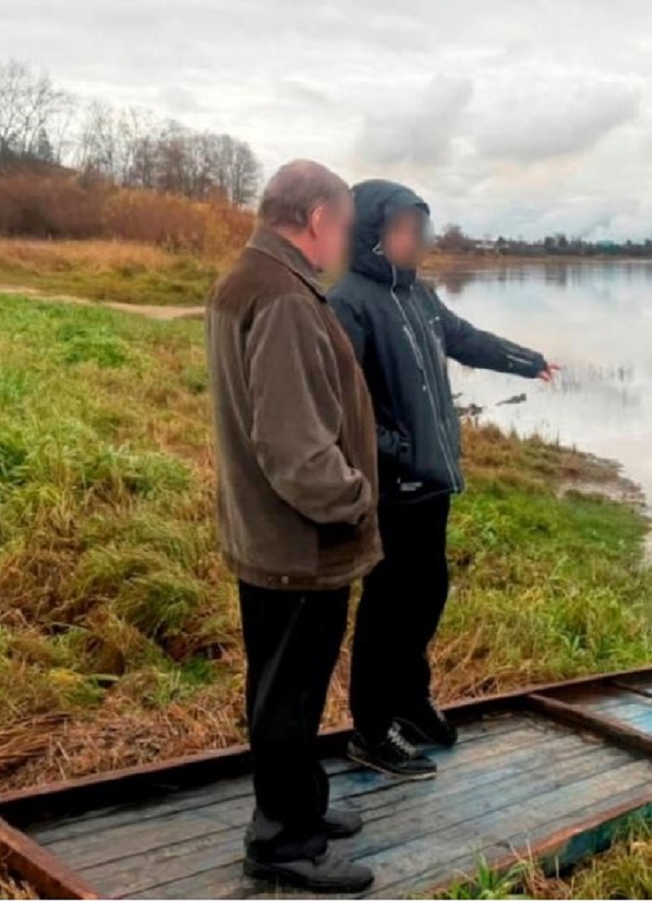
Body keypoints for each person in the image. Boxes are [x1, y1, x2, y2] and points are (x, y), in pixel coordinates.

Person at [328, 180, 559, 779]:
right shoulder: (349, 302)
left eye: (420, 228)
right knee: (387, 606)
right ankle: (371, 730)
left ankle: (408, 702)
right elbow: (339, 406)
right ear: (375, 233)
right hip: (392, 488)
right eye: (407, 228)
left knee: (426, 595)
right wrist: (396, 451)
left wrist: (529, 361)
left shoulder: (419, 296)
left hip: (431, 485)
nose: (419, 240)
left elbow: (464, 339)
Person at [206, 160, 380, 894]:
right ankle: (283, 840)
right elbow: (293, 450)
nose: (345, 241)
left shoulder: (251, 278)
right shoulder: (282, 297)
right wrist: (358, 499)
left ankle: (300, 806)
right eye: (343, 226)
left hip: (270, 536)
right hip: (298, 544)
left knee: (286, 687)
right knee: (288, 694)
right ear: (315, 220)